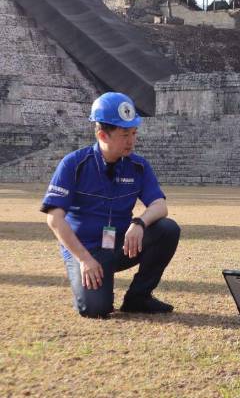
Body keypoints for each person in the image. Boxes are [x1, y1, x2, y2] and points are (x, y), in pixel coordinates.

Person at [41, 92, 181, 318]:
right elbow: (54, 219)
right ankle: (95, 280)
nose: (131, 140)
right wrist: (84, 259)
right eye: (125, 134)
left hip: (120, 245)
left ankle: (138, 297)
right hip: (86, 249)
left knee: (167, 229)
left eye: (134, 133)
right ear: (102, 134)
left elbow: (159, 205)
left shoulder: (138, 166)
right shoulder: (73, 164)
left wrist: (139, 222)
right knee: (95, 309)